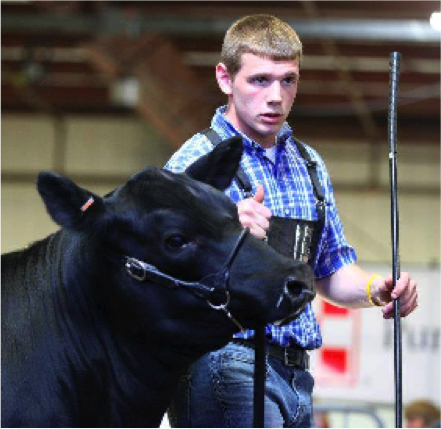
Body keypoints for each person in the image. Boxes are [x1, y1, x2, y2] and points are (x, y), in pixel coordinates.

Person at [164, 14, 418, 428]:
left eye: (288, 80)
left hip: (296, 374)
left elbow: (329, 269)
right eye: (259, 80)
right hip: (223, 360)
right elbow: (152, 274)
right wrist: (221, 234)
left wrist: (376, 288)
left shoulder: (308, 165)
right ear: (225, 79)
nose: (276, 97)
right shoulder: (194, 163)